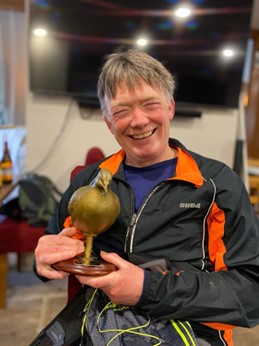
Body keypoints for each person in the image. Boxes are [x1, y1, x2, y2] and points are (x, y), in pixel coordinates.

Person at [34, 49, 259, 346]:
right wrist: (45, 261)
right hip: (99, 327)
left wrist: (145, 288)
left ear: (170, 108)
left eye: (150, 104)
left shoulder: (218, 185)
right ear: (108, 122)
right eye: (122, 110)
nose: (138, 121)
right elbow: (57, 243)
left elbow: (251, 292)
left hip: (190, 331)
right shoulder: (88, 181)